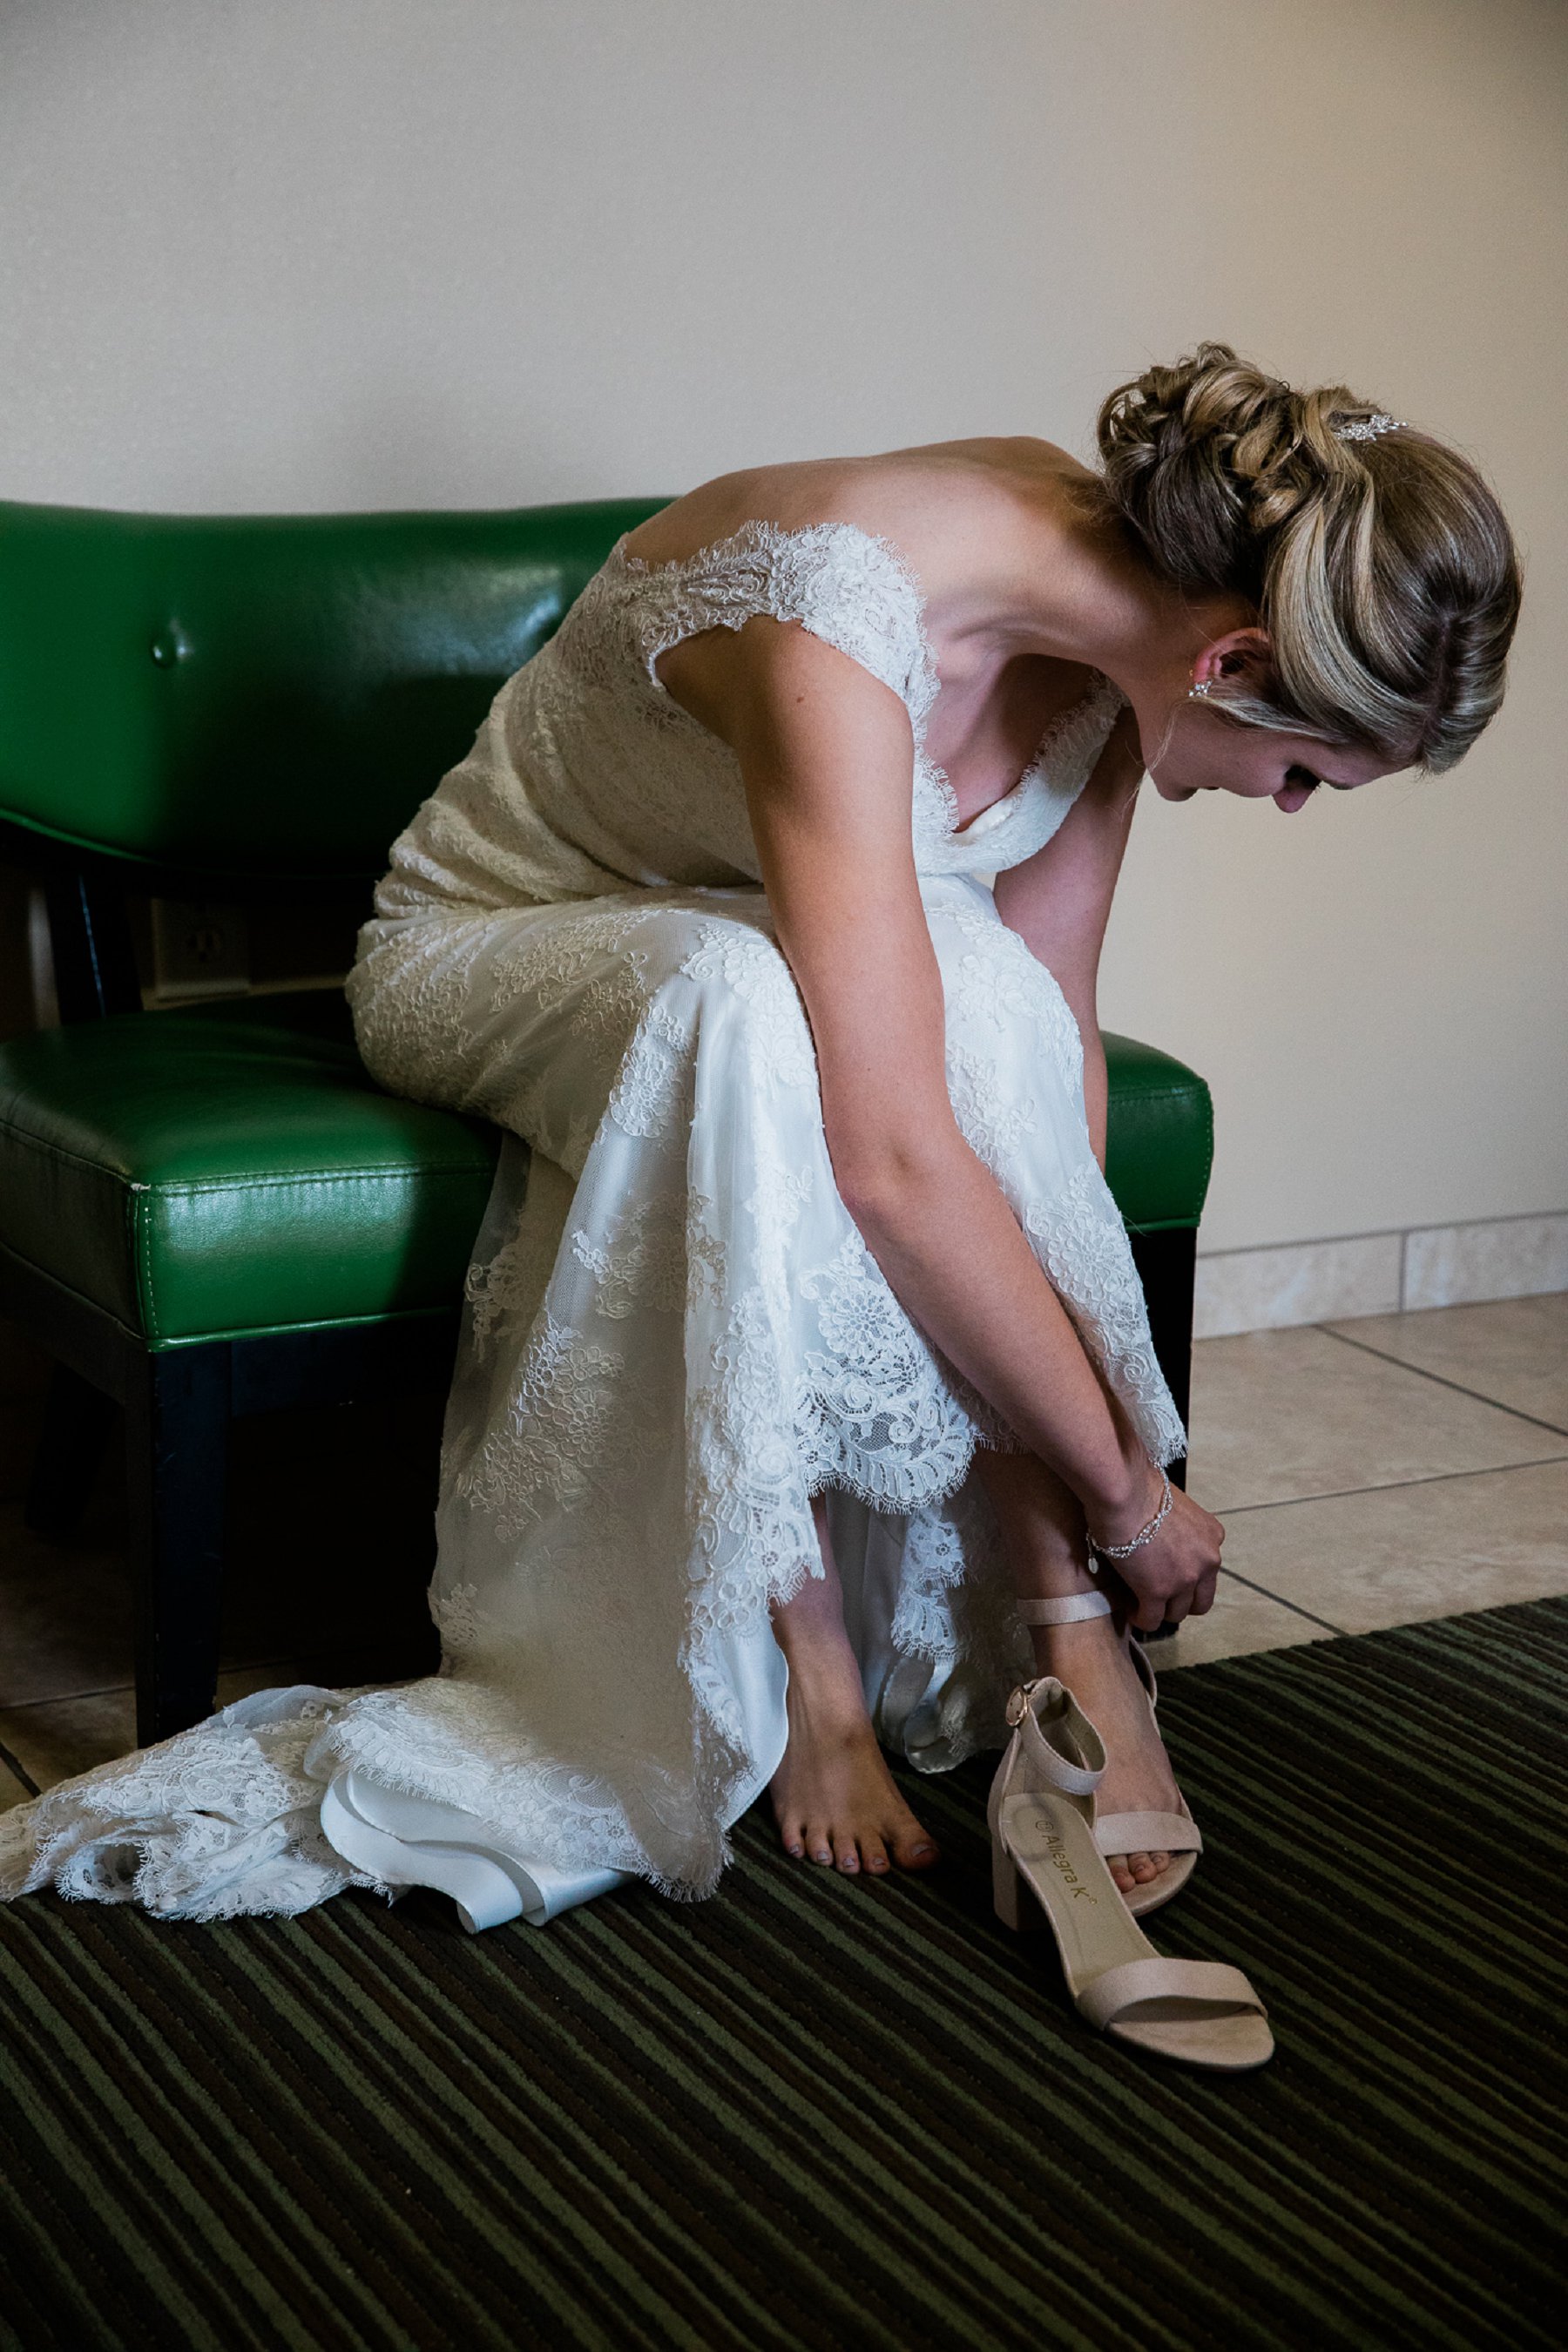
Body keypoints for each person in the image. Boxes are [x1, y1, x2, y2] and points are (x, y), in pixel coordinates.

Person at [0, 346, 1519, 2051]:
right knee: (748, 1010)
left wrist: (1089, 1520)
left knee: (972, 1002)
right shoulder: (838, 614)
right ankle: (800, 1665)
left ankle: (1057, 1644)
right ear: (1239, 662)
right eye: (1310, 773)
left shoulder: (1121, 633)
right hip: (492, 948)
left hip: (758, 971)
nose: (1289, 808)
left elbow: (1052, 1041)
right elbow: (882, 1148)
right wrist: (1127, 1491)